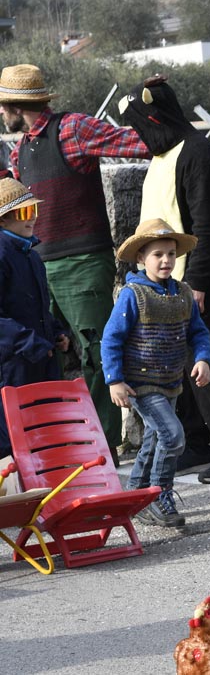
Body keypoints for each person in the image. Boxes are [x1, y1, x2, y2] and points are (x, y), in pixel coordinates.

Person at [0, 63, 151, 462]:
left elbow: (137, 144)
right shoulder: (19, 152)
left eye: (3, 106)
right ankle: (58, 444)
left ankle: (102, 445)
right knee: (47, 353)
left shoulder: (72, 129)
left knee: (96, 350)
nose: (1, 114)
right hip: (37, 264)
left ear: (16, 105)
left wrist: (166, 128)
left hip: (82, 260)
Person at [119, 75, 210, 484]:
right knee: (179, 367)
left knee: (208, 357)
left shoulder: (197, 152)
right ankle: (196, 444)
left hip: (195, 280)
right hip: (163, 283)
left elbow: (209, 226)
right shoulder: (165, 154)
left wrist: (195, 282)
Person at [103, 219, 210, 528]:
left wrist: (203, 359)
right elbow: (112, 338)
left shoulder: (183, 293)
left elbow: (198, 333)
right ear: (141, 259)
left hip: (171, 383)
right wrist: (115, 380)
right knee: (172, 436)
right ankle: (159, 494)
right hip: (141, 383)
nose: (166, 261)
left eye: (170, 254)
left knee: (154, 438)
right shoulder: (132, 295)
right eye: (157, 255)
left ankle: (136, 495)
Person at [0, 178, 68, 458]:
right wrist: (31, 343)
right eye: (25, 213)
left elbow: (39, 305)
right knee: (11, 435)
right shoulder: (3, 253)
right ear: (3, 219)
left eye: (34, 211)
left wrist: (55, 330)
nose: (34, 219)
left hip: (37, 354)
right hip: (11, 361)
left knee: (40, 428)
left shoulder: (31, 254)